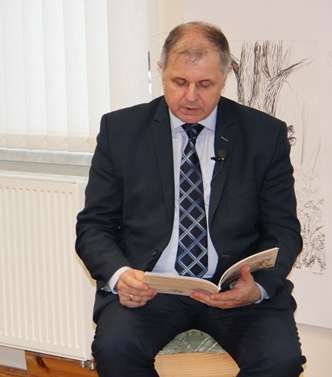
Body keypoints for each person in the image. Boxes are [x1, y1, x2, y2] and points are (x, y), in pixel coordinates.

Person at [75, 21, 305, 376]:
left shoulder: (264, 135)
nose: (191, 97)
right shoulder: (120, 131)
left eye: (205, 84)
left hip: (235, 289)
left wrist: (257, 287)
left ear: (225, 76)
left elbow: (284, 230)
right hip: (151, 288)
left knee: (281, 360)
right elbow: (94, 226)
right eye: (179, 82)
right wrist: (121, 276)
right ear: (161, 70)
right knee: (115, 350)